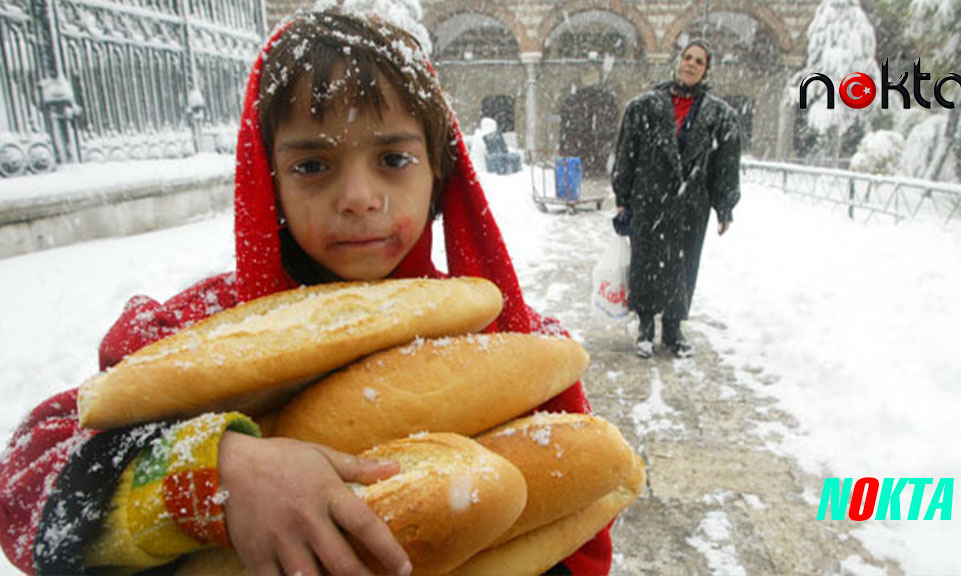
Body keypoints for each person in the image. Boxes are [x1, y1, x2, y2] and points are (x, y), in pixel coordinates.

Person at [0, 9, 611, 575]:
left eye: (393, 158)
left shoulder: (510, 347)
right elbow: (24, 484)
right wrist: (218, 471)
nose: (359, 197)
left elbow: (582, 512)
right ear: (268, 182)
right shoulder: (199, 333)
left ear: (439, 172)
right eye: (313, 165)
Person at [611, 40, 741, 359]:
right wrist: (623, 196)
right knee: (646, 262)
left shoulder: (720, 114)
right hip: (649, 199)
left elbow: (726, 164)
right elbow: (626, 153)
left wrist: (725, 206)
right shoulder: (644, 106)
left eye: (699, 61)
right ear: (678, 62)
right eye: (687, 58)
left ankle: (673, 329)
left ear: (706, 70)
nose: (691, 64)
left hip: (691, 204)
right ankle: (644, 329)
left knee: (683, 264)